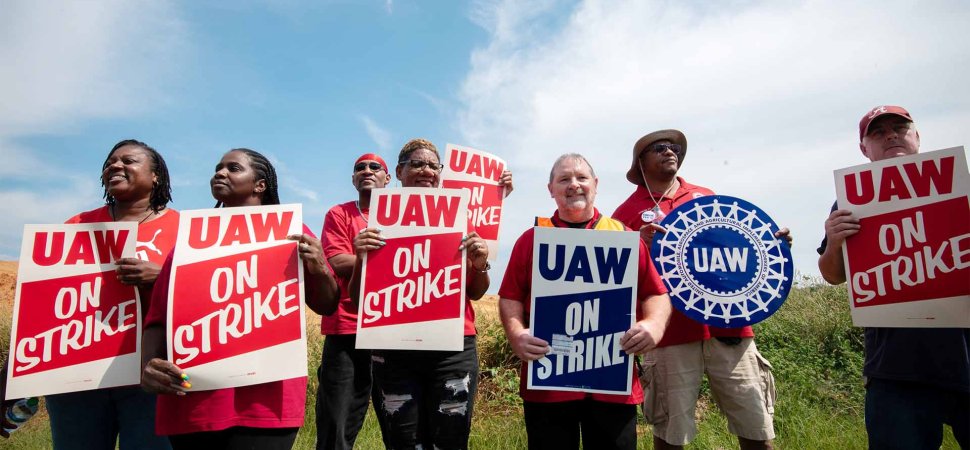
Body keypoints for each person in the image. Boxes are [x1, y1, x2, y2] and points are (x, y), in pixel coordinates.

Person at [140, 148, 339, 450]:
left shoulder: (292, 234)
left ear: (260, 185)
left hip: (266, 401)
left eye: (233, 168)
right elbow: (157, 320)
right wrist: (148, 365)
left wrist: (320, 266)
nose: (220, 173)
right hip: (194, 401)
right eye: (218, 168)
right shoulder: (188, 241)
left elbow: (326, 305)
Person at [613, 129, 787, 450]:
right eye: (661, 148)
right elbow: (614, 279)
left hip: (729, 327)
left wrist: (771, 245)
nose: (671, 152)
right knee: (670, 436)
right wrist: (635, 244)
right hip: (669, 336)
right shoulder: (625, 214)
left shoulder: (707, 196)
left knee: (757, 430)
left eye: (674, 147)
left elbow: (734, 249)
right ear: (641, 162)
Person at [817, 105, 969, 449]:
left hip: (964, 354)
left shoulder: (961, 184)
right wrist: (835, 242)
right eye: (878, 132)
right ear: (864, 149)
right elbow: (832, 276)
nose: (890, 136)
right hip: (895, 367)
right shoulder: (849, 201)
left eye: (899, 128)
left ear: (916, 136)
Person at [497, 153, 672, 450]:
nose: (574, 185)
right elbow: (510, 297)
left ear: (596, 185)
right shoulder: (532, 239)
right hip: (548, 385)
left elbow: (656, 293)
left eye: (581, 178)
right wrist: (516, 333)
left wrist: (654, 324)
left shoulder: (624, 238)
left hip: (614, 385)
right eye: (564, 179)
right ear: (550, 189)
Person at [347, 138, 496, 449]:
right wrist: (362, 260)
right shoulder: (380, 221)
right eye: (417, 164)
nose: (426, 170)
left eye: (433, 165)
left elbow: (477, 292)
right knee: (403, 441)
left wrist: (480, 264)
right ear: (399, 172)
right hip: (393, 349)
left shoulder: (460, 218)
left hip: (452, 349)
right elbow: (360, 300)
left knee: (450, 441)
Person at [32, 139, 177, 449]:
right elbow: (43, 303)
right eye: (110, 161)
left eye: (129, 161)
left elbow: (202, 296)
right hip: (78, 372)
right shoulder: (77, 225)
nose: (115, 165)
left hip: (149, 373)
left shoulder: (183, 228)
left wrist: (160, 278)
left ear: (156, 176)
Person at [314, 153, 391, 450]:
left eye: (375, 167)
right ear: (353, 179)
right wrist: (390, 261)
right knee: (337, 425)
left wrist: (368, 257)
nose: (367, 171)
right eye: (360, 168)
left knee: (401, 424)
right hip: (346, 330)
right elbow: (335, 259)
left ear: (388, 178)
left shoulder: (405, 214)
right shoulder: (339, 214)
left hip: (393, 331)